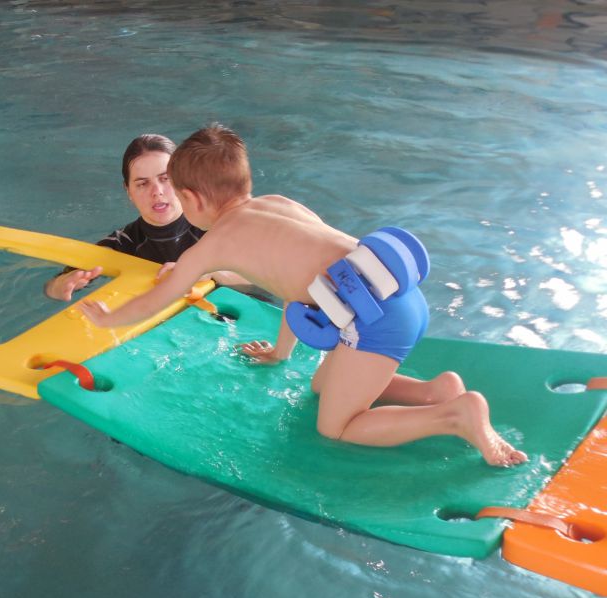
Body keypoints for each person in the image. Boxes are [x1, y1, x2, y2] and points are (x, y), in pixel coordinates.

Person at [80, 124, 527, 467]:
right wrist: (281, 352)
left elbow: (159, 298)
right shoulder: (278, 205)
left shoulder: (215, 243)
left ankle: (455, 416)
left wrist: (107, 318)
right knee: (320, 385)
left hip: (376, 321)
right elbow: (307, 284)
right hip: (398, 296)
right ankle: (435, 392)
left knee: (338, 427)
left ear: (192, 199)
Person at [44, 134, 204, 301]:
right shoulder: (124, 242)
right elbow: (56, 284)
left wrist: (204, 271)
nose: (157, 191)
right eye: (143, 184)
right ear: (128, 191)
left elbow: (225, 270)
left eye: (165, 179)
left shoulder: (213, 227)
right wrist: (60, 286)